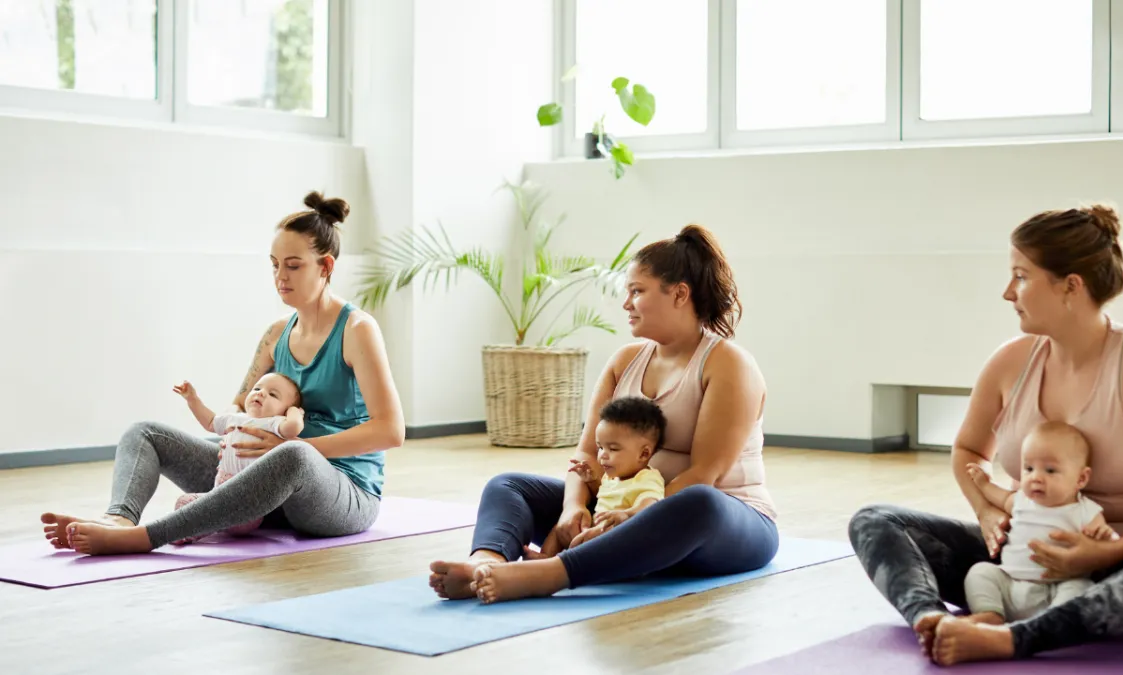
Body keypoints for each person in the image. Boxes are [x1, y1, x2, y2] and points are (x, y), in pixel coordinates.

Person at [848, 205, 1123, 666]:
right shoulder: (1010, 362)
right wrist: (986, 511)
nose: (1007, 292)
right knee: (875, 520)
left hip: (1121, 571)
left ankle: (1012, 639)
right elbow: (968, 450)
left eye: (1021, 276)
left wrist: (1100, 551)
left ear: (1071, 286)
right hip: (1019, 563)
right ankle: (933, 622)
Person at [40, 191, 406, 555]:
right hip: (266, 486)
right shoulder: (276, 334)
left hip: (343, 493)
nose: (280, 276)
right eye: (274, 264)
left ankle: (146, 537)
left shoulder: (357, 330)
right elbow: (239, 407)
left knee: (294, 457)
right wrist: (234, 443)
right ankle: (119, 519)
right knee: (145, 434)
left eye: (293, 266)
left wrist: (294, 444)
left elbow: (390, 431)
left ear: (325, 267)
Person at [429, 224, 779, 604]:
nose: (626, 303)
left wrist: (633, 518)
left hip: (720, 524)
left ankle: (547, 575)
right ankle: (486, 565)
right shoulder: (624, 361)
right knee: (509, 485)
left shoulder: (728, 365)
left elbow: (703, 476)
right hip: (616, 515)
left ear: (679, 294)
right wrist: (574, 508)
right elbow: (584, 455)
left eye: (637, 291)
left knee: (697, 503)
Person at [961, 421, 1115, 624]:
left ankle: (1051, 623)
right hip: (1010, 585)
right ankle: (991, 614)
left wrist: (1105, 538)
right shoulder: (1020, 500)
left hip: (1056, 589)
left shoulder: (1086, 511)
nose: (1036, 478)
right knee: (980, 572)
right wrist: (983, 483)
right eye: (1029, 468)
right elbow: (997, 495)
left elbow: (1106, 540)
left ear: (1081, 478)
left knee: (1080, 587)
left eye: (1050, 471)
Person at [169, 373, 307, 543]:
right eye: (257, 388)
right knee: (184, 502)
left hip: (248, 505)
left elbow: (293, 428)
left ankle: (192, 528)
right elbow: (210, 422)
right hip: (219, 494)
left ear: (284, 411)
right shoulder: (234, 418)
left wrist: (294, 413)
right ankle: (201, 525)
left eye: (273, 394)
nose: (261, 393)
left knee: (199, 508)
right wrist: (192, 400)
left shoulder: (274, 423)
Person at [525, 395, 666, 560]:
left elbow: (651, 505)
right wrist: (591, 481)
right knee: (562, 525)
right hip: (597, 526)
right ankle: (546, 556)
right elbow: (604, 495)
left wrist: (626, 514)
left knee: (591, 540)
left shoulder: (647, 478)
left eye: (613, 449)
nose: (602, 456)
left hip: (619, 535)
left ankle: (560, 564)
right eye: (600, 447)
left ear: (644, 454)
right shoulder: (613, 476)